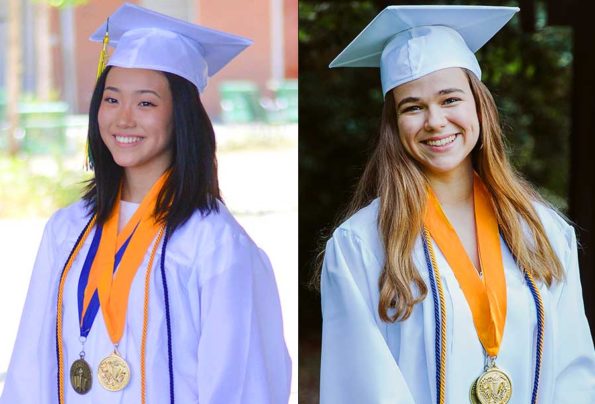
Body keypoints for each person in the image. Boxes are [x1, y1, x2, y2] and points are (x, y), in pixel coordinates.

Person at [0, 3, 291, 403]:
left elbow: (240, 380)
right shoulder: (67, 228)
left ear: (182, 117)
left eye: (146, 103)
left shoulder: (215, 245)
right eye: (112, 99)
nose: (123, 119)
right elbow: (30, 364)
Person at [319, 5, 595, 404]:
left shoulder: (544, 231)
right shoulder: (360, 245)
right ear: (394, 125)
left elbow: (574, 375)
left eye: (450, 99)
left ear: (479, 107)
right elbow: (362, 386)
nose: (434, 121)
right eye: (412, 107)